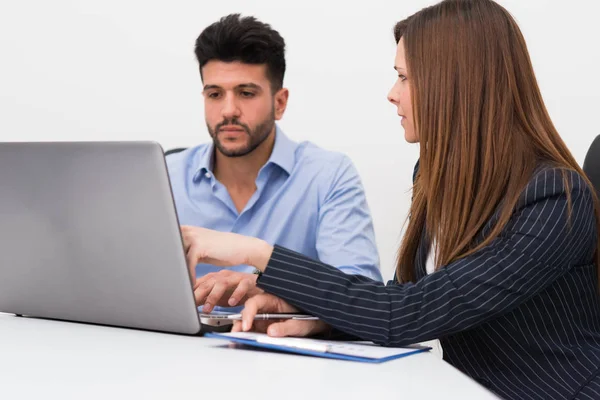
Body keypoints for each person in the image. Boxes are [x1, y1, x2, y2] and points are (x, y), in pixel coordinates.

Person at [180, 0, 600, 398]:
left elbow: (405, 314)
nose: (392, 93)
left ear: (453, 83)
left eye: (404, 77)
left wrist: (253, 253)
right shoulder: (439, 175)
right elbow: (401, 299)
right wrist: (305, 311)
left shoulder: (555, 199)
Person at [167, 14, 383, 312]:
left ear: (279, 103)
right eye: (215, 94)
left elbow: (363, 295)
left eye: (246, 93)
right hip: (179, 349)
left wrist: (278, 291)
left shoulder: (327, 175)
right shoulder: (167, 176)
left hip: (283, 351)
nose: (229, 111)